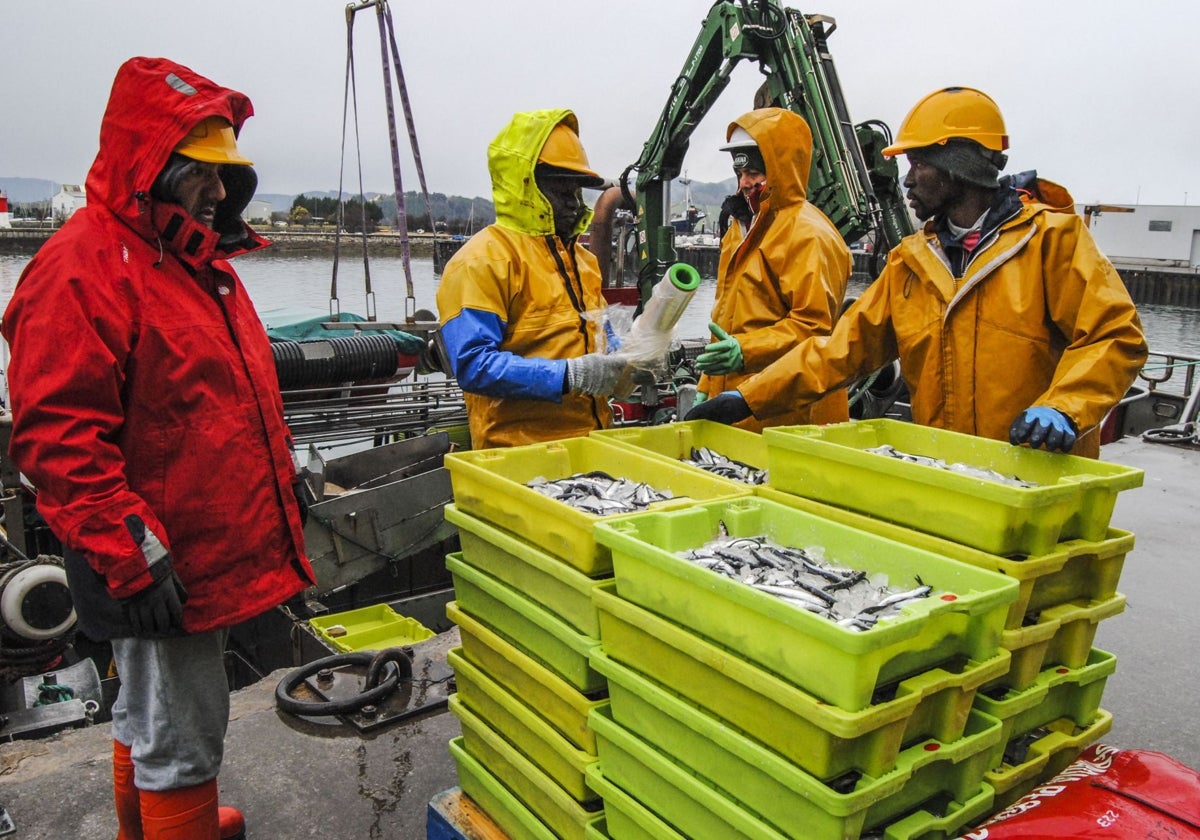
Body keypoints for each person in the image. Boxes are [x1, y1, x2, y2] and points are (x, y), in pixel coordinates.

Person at [1, 57, 316, 838]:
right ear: (154, 166)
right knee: (182, 737)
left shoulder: (189, 261)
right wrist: (131, 553)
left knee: (145, 715)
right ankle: (180, 820)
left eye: (226, 174)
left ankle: (151, 824)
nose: (217, 191)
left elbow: (222, 405)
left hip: (188, 547)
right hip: (156, 556)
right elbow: (58, 438)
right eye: (202, 172)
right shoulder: (83, 268)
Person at [688, 86, 1147, 458]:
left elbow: (1114, 336)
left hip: (1036, 470)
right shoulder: (911, 262)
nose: (907, 180)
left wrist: (1065, 408)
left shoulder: (1053, 242)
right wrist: (750, 398)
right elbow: (839, 351)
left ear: (959, 166)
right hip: (943, 468)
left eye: (919, 164)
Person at [436, 109, 630, 449]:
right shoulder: (480, 262)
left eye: (576, 192)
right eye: (561, 191)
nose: (573, 204)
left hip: (592, 446)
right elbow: (473, 364)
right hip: (517, 457)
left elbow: (601, 337)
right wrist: (569, 376)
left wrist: (632, 356)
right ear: (527, 187)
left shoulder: (582, 261)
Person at [693, 107, 852, 431]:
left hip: (790, 417)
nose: (745, 182)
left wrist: (746, 350)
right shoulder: (739, 230)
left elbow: (815, 330)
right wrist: (705, 386)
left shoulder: (809, 234)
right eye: (740, 172)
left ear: (780, 165)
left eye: (754, 171)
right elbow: (723, 318)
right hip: (736, 411)